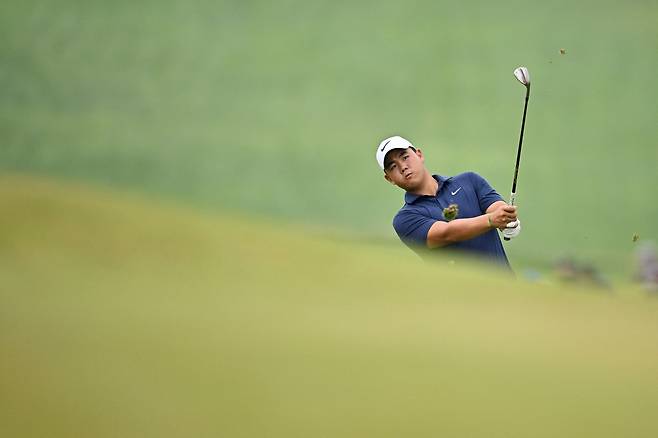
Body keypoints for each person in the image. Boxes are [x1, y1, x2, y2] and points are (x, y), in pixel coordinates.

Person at [376, 135, 521, 268]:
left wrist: (507, 219)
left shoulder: (470, 181)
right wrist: (491, 220)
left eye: (405, 157)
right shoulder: (404, 219)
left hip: (505, 290)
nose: (403, 167)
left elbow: (495, 207)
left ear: (419, 155)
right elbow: (446, 233)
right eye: (393, 166)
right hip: (456, 295)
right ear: (389, 179)